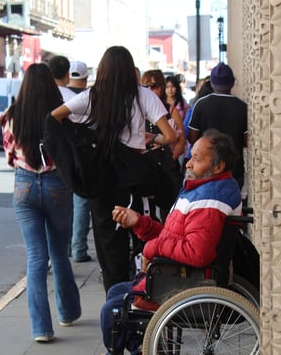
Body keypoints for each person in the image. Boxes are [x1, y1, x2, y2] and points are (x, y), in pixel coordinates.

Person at [100, 129, 242, 355]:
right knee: (116, 291)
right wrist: (139, 223)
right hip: (176, 275)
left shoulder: (210, 201)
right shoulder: (202, 190)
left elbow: (196, 253)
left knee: (112, 310)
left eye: (196, 159)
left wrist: (152, 248)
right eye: (190, 157)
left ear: (218, 166)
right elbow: (172, 236)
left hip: (188, 281)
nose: (188, 163)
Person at [51, 45, 177, 292]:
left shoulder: (92, 96)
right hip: (136, 180)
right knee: (144, 241)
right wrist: (152, 141)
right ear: (130, 70)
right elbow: (171, 136)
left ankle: (116, 305)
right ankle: (144, 299)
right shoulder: (143, 96)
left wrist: (80, 141)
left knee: (110, 249)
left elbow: (55, 116)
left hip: (103, 181)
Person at [0, 63, 81, 343]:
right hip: (56, 183)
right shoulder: (59, 115)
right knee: (59, 252)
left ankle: (41, 330)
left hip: (24, 185)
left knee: (36, 257)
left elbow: (10, 155)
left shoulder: (12, 115)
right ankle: (68, 313)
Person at [188, 62, 248, 189]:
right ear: (232, 83)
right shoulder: (242, 106)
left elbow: (192, 138)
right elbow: (246, 141)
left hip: (206, 167)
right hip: (234, 168)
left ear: (211, 83)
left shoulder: (201, 104)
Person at [141, 69, 184, 216]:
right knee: (147, 213)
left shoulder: (170, 110)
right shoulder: (138, 110)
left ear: (161, 87)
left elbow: (182, 140)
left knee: (170, 211)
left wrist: (171, 158)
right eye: (145, 86)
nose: (149, 90)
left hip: (167, 165)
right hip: (145, 166)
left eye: (153, 86)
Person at [67, 60, 92, 262]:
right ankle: (78, 249)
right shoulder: (88, 98)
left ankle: (67, 247)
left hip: (60, 156)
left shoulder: (59, 96)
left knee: (63, 204)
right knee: (81, 202)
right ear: (85, 79)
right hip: (82, 156)